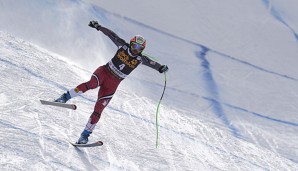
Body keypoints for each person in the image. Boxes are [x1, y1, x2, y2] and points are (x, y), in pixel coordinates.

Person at [54, 20, 169, 144]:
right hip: (104, 72)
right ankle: (65, 97)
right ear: (131, 44)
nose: (136, 50)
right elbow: (111, 35)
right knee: (91, 84)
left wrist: (160, 68)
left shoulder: (140, 59)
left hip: (113, 83)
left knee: (99, 109)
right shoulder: (123, 46)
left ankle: (84, 135)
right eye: (135, 46)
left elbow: (153, 63)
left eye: (139, 48)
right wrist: (99, 27)